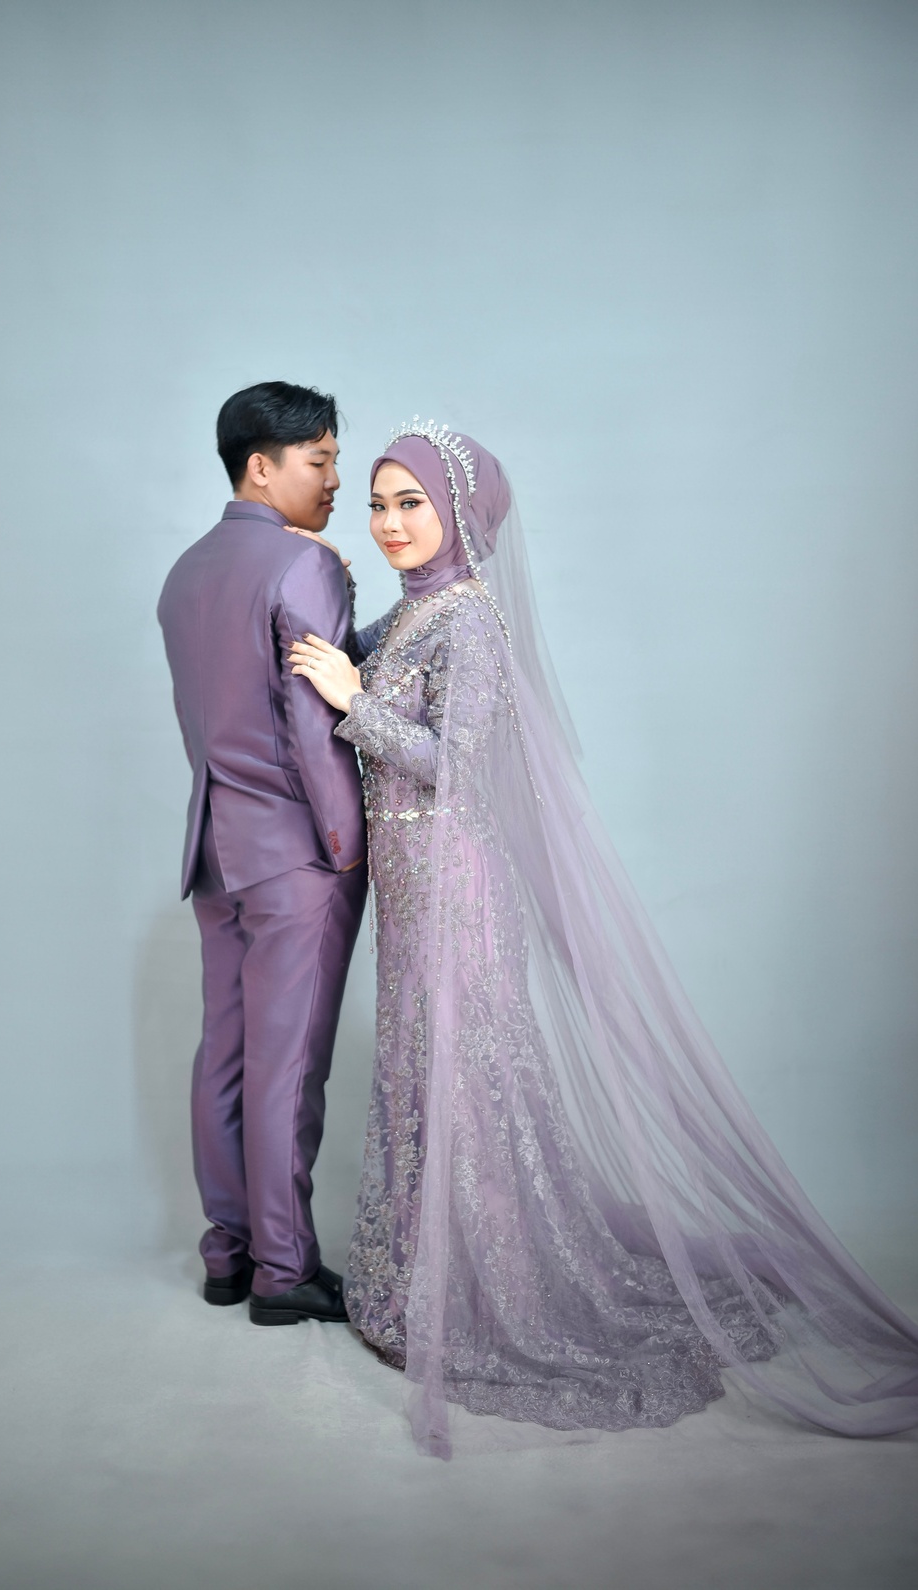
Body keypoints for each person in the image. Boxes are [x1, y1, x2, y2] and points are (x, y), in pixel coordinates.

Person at [288, 419, 918, 1456]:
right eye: (376, 504)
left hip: (454, 881)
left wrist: (352, 703)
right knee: (417, 1062)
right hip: (409, 885)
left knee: (464, 1069)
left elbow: (456, 764)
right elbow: (363, 665)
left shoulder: (468, 619)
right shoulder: (415, 611)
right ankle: (420, 1275)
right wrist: (325, 586)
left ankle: (492, 1287)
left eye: (411, 504)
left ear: (460, 513)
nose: (390, 523)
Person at [157, 381, 367, 1326]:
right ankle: (285, 1272)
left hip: (214, 849)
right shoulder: (303, 565)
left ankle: (229, 1254)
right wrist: (346, 847)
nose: (334, 481)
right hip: (295, 853)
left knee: (228, 1058)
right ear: (260, 466)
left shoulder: (185, 571)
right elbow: (314, 729)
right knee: (288, 1066)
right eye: (319, 461)